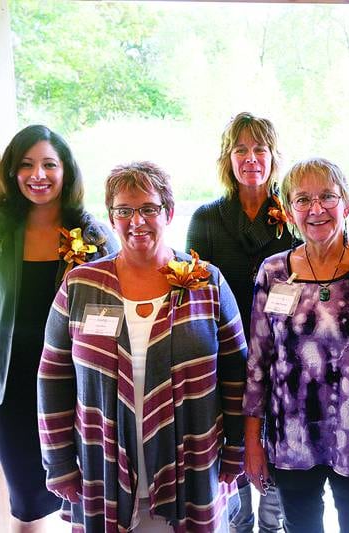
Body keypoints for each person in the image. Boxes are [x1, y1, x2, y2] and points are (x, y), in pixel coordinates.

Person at [37, 162, 247, 532]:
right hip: (102, 468)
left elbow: (237, 374)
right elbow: (53, 377)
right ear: (111, 217)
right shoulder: (80, 285)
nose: (137, 221)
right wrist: (59, 463)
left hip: (194, 465)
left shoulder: (206, 282)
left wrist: (237, 450)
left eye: (148, 208)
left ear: (168, 212)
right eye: (124, 210)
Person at [243, 158, 349, 533]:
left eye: (327, 196)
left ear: (347, 204)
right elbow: (258, 364)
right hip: (291, 441)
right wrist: (253, 444)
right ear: (289, 211)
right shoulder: (272, 272)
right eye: (303, 199)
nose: (316, 208)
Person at [0, 124, 116, 532]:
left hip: (82, 390)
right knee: (27, 507)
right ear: (13, 172)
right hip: (15, 392)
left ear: (67, 172)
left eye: (49, 164)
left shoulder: (95, 237)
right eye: (27, 165)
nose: (38, 175)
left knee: (92, 501)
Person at [186, 112, 293, 532]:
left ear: (274, 157)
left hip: (283, 357)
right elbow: (193, 296)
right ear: (227, 158)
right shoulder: (207, 219)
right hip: (225, 356)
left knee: (276, 451)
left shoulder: (294, 214)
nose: (251, 159)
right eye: (241, 150)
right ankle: (237, 523)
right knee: (231, 450)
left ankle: (272, 525)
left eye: (260, 150)